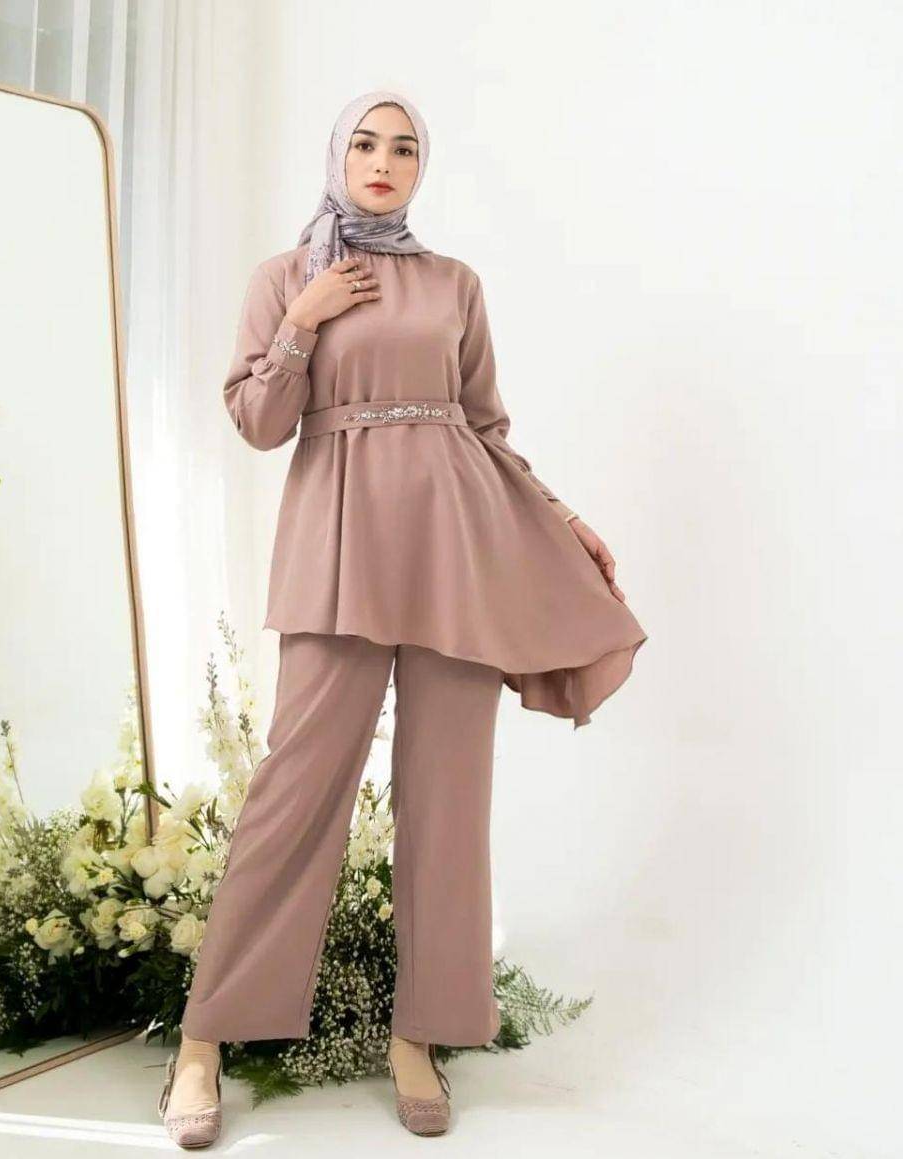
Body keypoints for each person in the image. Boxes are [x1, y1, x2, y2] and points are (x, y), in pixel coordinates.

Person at [157, 89, 648, 1147]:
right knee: (295, 791)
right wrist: (302, 322)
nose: (383, 162)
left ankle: (418, 1034)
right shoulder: (285, 275)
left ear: (423, 167)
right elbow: (257, 422)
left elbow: (485, 427)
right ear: (337, 154)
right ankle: (202, 1040)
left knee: (448, 799)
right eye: (366, 144)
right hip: (337, 551)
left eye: (405, 148)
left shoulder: (455, 283)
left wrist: (560, 516)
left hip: (456, 552)